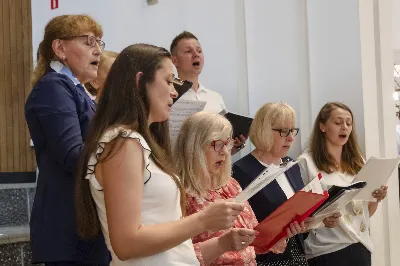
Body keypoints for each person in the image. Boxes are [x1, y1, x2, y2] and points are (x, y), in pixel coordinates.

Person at [75, 43, 245, 266]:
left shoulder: (138, 142)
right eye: (168, 81)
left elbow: (167, 240)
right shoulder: (123, 143)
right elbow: (127, 243)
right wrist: (203, 219)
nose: (175, 92)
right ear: (139, 81)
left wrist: (217, 238)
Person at [25, 14, 109, 265]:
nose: (98, 50)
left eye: (99, 43)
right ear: (60, 48)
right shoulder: (54, 87)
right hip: (68, 229)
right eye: (89, 41)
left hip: (84, 225)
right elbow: (74, 155)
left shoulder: (75, 88)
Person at [174, 111, 290, 265]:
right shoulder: (180, 193)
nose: (225, 151)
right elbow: (174, 257)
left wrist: (283, 231)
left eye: (227, 144)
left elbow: (254, 239)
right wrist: (222, 244)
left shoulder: (230, 185)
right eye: (217, 144)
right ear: (195, 146)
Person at [298, 102, 388, 266]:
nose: (344, 127)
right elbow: (297, 215)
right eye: (338, 123)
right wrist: (321, 218)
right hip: (326, 250)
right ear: (323, 126)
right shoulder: (306, 163)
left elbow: (364, 214)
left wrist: (376, 197)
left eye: (348, 123)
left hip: (361, 245)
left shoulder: (357, 162)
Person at [232, 102, 312, 266]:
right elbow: (236, 227)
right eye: (283, 131)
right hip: (265, 260)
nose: (290, 138)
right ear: (263, 130)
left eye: (292, 131)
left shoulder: (291, 165)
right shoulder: (240, 171)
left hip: (297, 256)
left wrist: (308, 221)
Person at [170, 31, 247, 155]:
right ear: (175, 60)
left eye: (199, 51)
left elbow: (223, 147)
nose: (196, 55)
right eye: (188, 51)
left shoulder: (215, 97)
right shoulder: (170, 96)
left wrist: (234, 146)